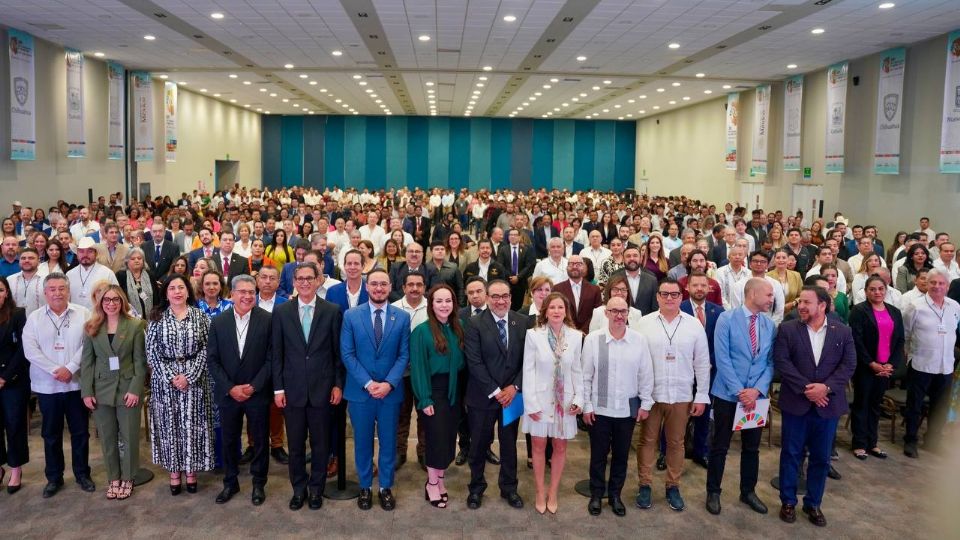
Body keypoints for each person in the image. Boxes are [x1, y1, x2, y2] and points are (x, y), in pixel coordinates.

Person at [774, 286, 856, 527]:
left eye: (807, 302)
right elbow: (782, 362)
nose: (801, 306)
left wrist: (826, 388)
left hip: (827, 406)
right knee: (791, 453)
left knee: (821, 458)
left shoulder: (843, 332)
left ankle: (813, 503)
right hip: (796, 404)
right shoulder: (788, 329)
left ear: (823, 305)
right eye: (800, 301)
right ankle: (788, 501)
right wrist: (809, 389)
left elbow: (849, 365)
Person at [271, 261, 344, 511]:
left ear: (317, 280)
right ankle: (299, 489)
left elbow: (337, 353)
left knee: (321, 445)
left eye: (308, 278)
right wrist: (278, 389)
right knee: (296, 445)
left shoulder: (332, 311)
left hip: (323, 390)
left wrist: (337, 384)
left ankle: (316, 489)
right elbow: (277, 354)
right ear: (293, 282)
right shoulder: (282, 312)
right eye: (299, 278)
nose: (303, 282)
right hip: (292, 393)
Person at [635, 278, 710, 512]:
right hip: (652, 394)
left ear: (682, 296)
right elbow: (635, 360)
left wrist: (701, 395)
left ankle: (672, 485)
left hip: (681, 394)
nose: (669, 298)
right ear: (657, 296)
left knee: (676, 443)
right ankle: (645, 484)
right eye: (664, 294)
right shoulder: (643, 324)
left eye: (674, 294)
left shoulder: (694, 325)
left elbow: (702, 362)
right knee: (647, 441)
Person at [341, 268, 411, 511]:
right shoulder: (351, 316)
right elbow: (347, 354)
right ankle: (364, 486)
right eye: (374, 284)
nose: (379, 288)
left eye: (383, 284)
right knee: (362, 442)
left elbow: (404, 355)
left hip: (389, 393)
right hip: (361, 393)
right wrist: (369, 384)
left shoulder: (402, 317)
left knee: (389, 442)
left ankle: (385, 487)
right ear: (366, 286)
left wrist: (389, 383)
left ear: (390, 287)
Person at [705, 278, 774, 516]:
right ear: (752, 294)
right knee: (719, 446)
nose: (771, 299)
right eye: (768, 295)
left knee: (752, 448)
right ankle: (713, 491)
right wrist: (740, 391)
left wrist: (756, 390)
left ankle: (748, 491)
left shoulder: (768, 325)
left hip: (756, 397)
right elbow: (721, 359)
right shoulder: (726, 319)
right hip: (727, 394)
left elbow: (769, 362)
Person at [22, 273, 95, 497]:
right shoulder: (34, 318)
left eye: (61, 288)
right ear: (45, 293)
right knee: (51, 434)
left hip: (75, 385)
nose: (57, 293)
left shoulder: (83, 314)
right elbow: (31, 351)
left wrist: (70, 368)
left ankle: (82, 473)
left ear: (68, 290)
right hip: (47, 387)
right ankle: (54, 478)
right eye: (52, 289)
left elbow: (89, 345)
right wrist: (56, 370)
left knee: (80, 433)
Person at [581, 296, 653, 517]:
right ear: (606, 313)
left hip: (627, 409)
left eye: (623, 311)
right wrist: (586, 405)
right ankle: (596, 495)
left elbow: (646, 373)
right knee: (599, 455)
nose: (619, 315)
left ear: (628, 313)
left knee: (621, 455)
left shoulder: (638, 340)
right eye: (615, 311)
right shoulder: (595, 340)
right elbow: (585, 376)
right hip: (600, 409)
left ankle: (615, 495)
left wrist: (646, 402)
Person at [207, 275, 273, 506]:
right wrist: (230, 388)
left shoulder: (268, 320)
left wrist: (254, 386)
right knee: (229, 440)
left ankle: (258, 483)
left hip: (258, 392)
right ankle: (230, 482)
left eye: (251, 292)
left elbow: (272, 359)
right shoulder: (218, 322)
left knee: (261, 441)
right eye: (242, 292)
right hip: (229, 394)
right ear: (232, 294)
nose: (247, 296)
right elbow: (212, 360)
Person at [463, 279, 529, 510]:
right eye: (495, 296)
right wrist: (496, 390)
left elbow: (527, 362)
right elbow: (474, 361)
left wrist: (515, 388)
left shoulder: (522, 322)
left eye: (505, 296)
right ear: (488, 298)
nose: (501, 301)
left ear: (511, 297)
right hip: (482, 396)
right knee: (478, 445)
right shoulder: (474, 323)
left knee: (510, 446)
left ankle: (509, 488)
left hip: (513, 397)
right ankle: (476, 488)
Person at [147, 274, 215, 496]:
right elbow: (152, 353)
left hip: (194, 382)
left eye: (181, 287)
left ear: (188, 291)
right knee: (171, 428)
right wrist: (171, 377)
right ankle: (174, 472)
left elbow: (207, 348)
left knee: (192, 427)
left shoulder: (201, 317)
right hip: (165, 385)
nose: (177, 291)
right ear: (166, 293)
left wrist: (189, 375)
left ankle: (192, 471)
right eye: (172, 288)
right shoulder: (156, 318)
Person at [80, 285, 147, 500]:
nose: (111, 303)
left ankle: (128, 478)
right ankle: (114, 479)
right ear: (100, 303)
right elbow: (87, 363)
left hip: (128, 390)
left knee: (129, 437)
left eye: (116, 300)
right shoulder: (91, 327)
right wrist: (86, 392)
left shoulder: (135, 325)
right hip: (101, 392)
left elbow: (140, 362)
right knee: (107, 439)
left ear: (122, 302)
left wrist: (136, 389)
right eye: (107, 300)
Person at [522, 293, 584, 514]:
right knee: (538, 446)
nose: (556, 311)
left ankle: (553, 491)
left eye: (560, 307)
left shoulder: (576, 337)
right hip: (539, 401)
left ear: (566, 311)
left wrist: (579, 399)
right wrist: (531, 403)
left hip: (564, 403)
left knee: (559, 446)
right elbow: (528, 370)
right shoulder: (533, 335)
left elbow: (578, 370)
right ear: (545, 311)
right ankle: (540, 490)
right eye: (552, 307)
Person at [410, 284, 465, 509]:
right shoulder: (421, 331)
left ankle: (440, 480)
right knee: (434, 439)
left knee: (448, 439)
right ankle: (432, 483)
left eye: (448, 301)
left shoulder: (458, 327)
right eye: (439, 301)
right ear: (431, 305)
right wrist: (425, 399)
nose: (444, 305)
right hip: (434, 391)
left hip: (455, 390)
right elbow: (419, 368)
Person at [901, 268, 960, 458]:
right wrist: (908, 356)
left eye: (941, 283)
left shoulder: (955, 306)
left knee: (940, 406)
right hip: (921, 363)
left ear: (947, 286)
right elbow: (906, 334)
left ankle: (933, 441)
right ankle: (910, 440)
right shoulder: (916, 306)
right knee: (915, 405)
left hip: (946, 365)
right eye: (933, 283)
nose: (937, 286)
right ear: (927, 284)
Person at [849, 276, 904, 460]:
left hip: (886, 367)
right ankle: (859, 443)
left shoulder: (895, 312)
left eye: (880, 289)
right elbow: (857, 340)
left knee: (875, 406)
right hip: (866, 367)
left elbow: (900, 340)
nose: (877, 292)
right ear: (866, 291)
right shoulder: (858, 311)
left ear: (886, 290)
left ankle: (872, 443)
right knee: (861, 404)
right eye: (872, 289)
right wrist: (871, 364)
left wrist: (891, 364)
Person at [680, 271, 724, 468]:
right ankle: (666, 452)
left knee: (704, 414)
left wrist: (710, 362)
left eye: (703, 285)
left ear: (709, 288)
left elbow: (721, 343)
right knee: (677, 415)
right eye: (695, 285)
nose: (699, 289)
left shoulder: (718, 312)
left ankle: (700, 451)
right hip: (683, 371)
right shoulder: (678, 309)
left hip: (710, 371)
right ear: (687, 288)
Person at [393, 271, 429, 470]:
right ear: (404, 287)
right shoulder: (394, 308)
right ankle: (400, 451)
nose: (415, 288)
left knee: (425, 413)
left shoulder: (432, 308)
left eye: (419, 284)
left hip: (425, 374)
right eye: (411, 284)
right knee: (401, 414)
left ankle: (424, 452)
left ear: (424, 287)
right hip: (401, 374)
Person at [0, 275, 29, 494]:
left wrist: (5, 377)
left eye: (0, 290)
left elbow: (22, 349)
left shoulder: (18, 315)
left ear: (7, 292)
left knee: (14, 425)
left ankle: (16, 469)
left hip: (13, 380)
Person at [553, 255, 603, 334]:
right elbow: (556, 312)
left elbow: (597, 313)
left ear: (584, 268)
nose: (574, 267)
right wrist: (571, 330)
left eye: (578, 264)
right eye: (571, 264)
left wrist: (583, 331)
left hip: (588, 333)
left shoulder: (595, 289)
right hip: (564, 333)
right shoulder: (557, 289)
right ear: (567, 267)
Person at [67, 237, 119, 310]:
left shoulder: (107, 273)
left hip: (99, 318)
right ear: (77, 253)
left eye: (90, 251)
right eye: (81, 251)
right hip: (75, 318)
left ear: (96, 253)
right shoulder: (69, 274)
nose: (85, 255)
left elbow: (116, 297)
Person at [497, 228, 536, 311]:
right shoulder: (503, 249)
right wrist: (510, 277)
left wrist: (518, 277)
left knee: (518, 306)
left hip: (520, 282)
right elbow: (500, 265)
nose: (513, 237)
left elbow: (528, 265)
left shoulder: (525, 249)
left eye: (515, 235)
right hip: (507, 282)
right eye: (511, 235)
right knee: (506, 305)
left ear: (519, 237)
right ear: (508, 237)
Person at [116, 247, 157, 319]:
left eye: (139, 258)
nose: (136, 260)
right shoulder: (121, 276)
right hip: (129, 317)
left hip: (150, 317)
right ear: (127, 261)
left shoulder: (150, 275)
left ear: (143, 261)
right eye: (133, 259)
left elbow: (157, 297)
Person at [617, 245, 659, 315]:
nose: (632, 258)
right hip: (621, 321)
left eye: (635, 255)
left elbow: (655, 307)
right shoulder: (615, 277)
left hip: (645, 322)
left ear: (641, 258)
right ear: (623, 259)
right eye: (628, 256)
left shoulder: (652, 279)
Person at [8, 248, 45, 315]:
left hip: (40, 322)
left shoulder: (47, 280)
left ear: (39, 261)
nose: (26, 260)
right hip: (15, 323)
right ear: (19, 261)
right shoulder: (10, 280)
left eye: (31, 258)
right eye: (23, 258)